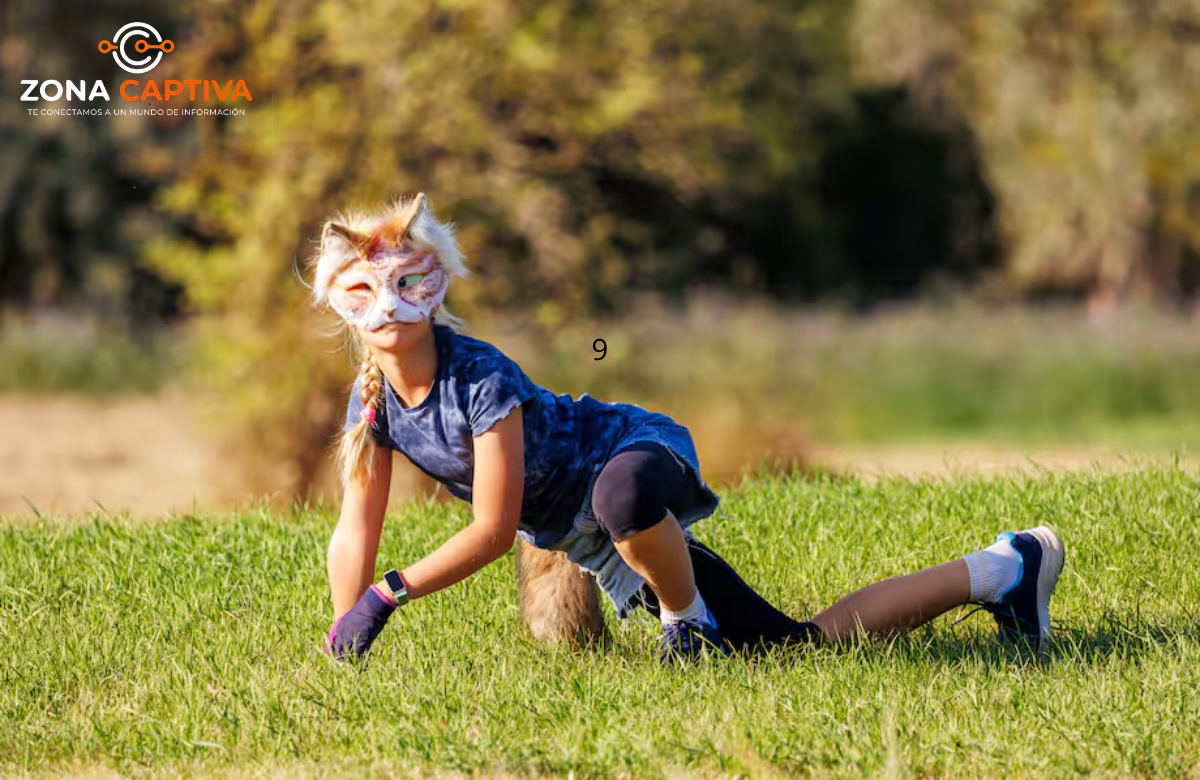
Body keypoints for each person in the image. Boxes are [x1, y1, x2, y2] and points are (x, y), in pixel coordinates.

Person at [317, 194, 1066, 664]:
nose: (389, 307)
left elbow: (493, 526)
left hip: (637, 455)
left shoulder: (481, 377)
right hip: (590, 537)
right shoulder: (373, 401)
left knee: (620, 497)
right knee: (794, 649)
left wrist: (386, 597)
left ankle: (688, 625)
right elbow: (358, 526)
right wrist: (342, 631)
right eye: (365, 292)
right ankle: (1005, 568)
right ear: (340, 303)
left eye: (409, 283)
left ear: (437, 283)